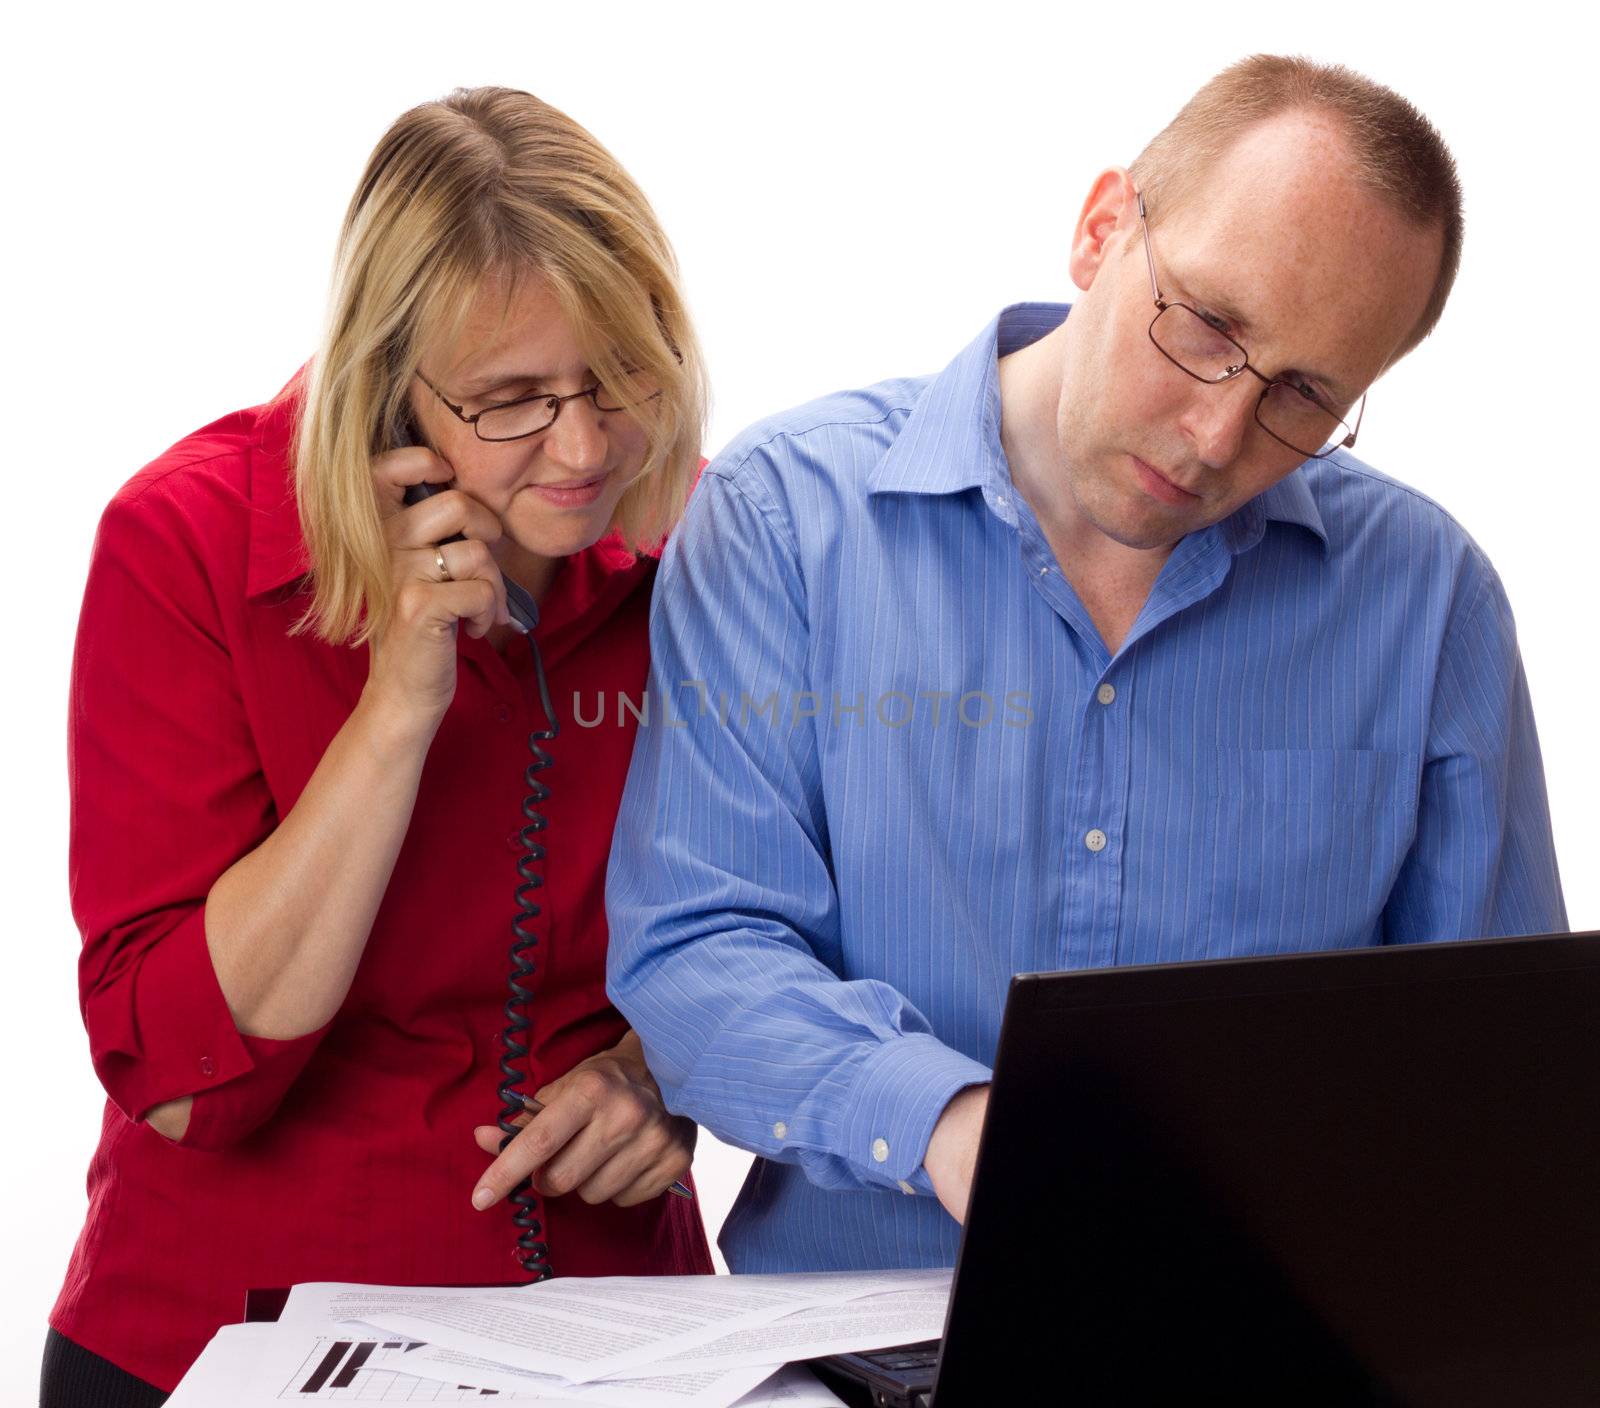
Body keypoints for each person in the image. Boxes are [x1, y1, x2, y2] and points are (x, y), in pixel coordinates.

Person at [574, 56, 1569, 1275]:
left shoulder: (1428, 601)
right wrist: (950, 1126)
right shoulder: (788, 520)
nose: (1216, 434)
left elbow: (1489, 1071)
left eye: (1304, 394)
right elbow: (697, 946)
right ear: (1102, 229)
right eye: (1207, 325)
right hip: (860, 1336)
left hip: (1261, 1339)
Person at [47, 87, 711, 1405]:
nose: (582, 449)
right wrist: (399, 702)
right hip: (231, 1334)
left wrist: (669, 1069)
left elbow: (796, 919)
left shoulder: (706, 541)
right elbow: (182, 1084)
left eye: (617, 379)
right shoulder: (181, 544)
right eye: (511, 402)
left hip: (619, 1334)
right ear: (391, 393)